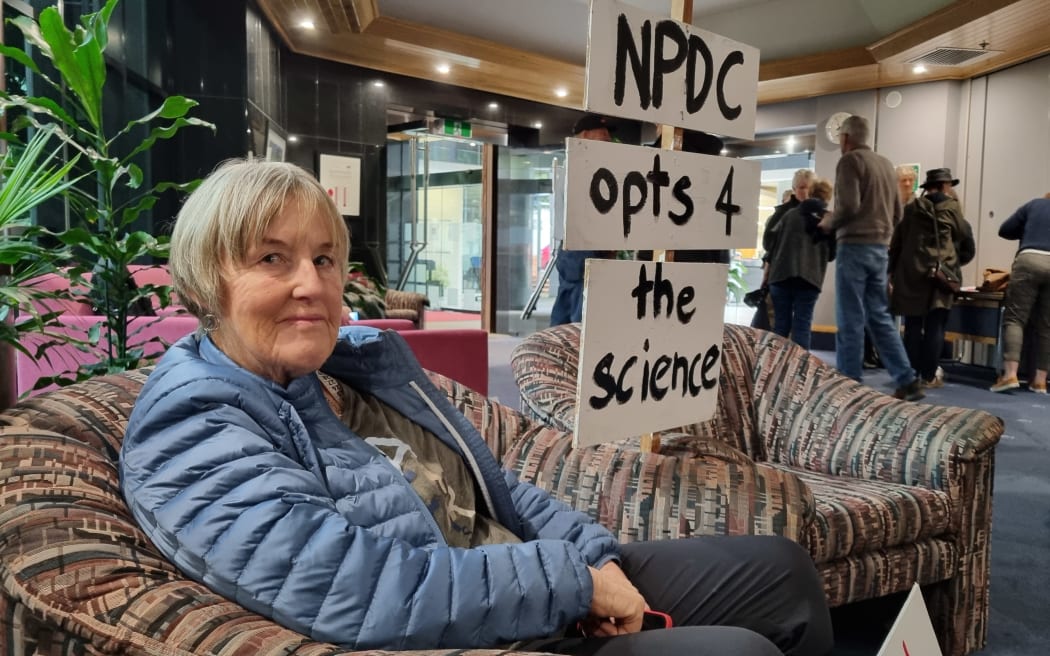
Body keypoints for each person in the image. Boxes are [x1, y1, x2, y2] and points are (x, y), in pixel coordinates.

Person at [119, 160, 833, 656]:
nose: (312, 283)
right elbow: (355, 588)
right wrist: (572, 583)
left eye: (325, 259)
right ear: (209, 278)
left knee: (784, 572)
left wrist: (591, 556)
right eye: (272, 259)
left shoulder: (330, 371)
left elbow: (491, 484)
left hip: (521, 575)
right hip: (477, 628)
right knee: (736, 650)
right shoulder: (194, 424)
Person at [818, 115, 924, 401]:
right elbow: (898, 213)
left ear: (846, 138)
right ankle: (906, 378)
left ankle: (849, 385)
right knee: (879, 317)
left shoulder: (850, 162)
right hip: (880, 249)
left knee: (850, 316)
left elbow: (849, 205)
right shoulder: (887, 165)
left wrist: (828, 222)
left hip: (853, 247)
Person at [889, 168, 975, 387]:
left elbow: (897, 243)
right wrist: (952, 265)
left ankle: (911, 375)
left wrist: (892, 272)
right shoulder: (953, 208)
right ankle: (928, 377)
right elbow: (965, 241)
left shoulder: (911, 209)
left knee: (912, 326)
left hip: (912, 274)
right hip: (940, 276)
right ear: (946, 186)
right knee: (936, 325)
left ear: (928, 187)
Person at [550, 114, 614, 326]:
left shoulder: (575, 164)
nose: (609, 140)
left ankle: (557, 352)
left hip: (572, 245)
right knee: (581, 313)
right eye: (603, 136)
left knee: (568, 304)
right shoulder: (583, 167)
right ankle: (572, 354)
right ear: (585, 135)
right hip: (581, 245)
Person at [990, 192, 1050, 393]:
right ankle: (1040, 381)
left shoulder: (1035, 204)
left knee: (1015, 319)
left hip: (1029, 260)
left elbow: (1005, 229)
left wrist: (1028, 229)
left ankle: (1010, 375)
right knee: (1047, 325)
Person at [765, 177, 835, 349]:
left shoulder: (789, 215)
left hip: (781, 276)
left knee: (781, 326)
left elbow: (769, 244)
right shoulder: (828, 220)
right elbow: (832, 255)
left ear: (810, 192)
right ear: (827, 198)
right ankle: (800, 370)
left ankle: (777, 368)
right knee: (802, 326)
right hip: (809, 279)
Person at [754, 169, 814, 331]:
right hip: (783, 276)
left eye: (809, 187)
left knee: (799, 325)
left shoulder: (817, 214)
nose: (806, 192)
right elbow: (768, 243)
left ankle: (796, 356)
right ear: (794, 189)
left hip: (805, 277)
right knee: (782, 324)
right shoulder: (783, 213)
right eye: (802, 187)